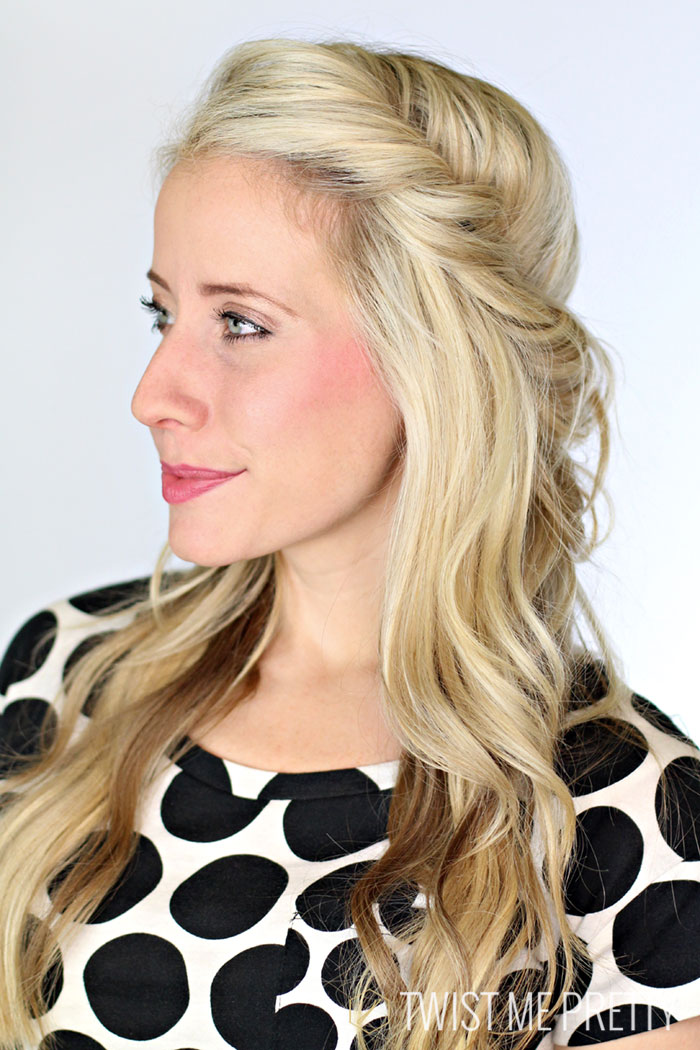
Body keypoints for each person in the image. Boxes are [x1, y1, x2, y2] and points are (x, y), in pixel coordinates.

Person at [0, 37, 699, 1050]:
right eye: (162, 314)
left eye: (241, 324)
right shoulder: (65, 678)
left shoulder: (627, 826)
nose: (153, 396)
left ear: (434, 358)